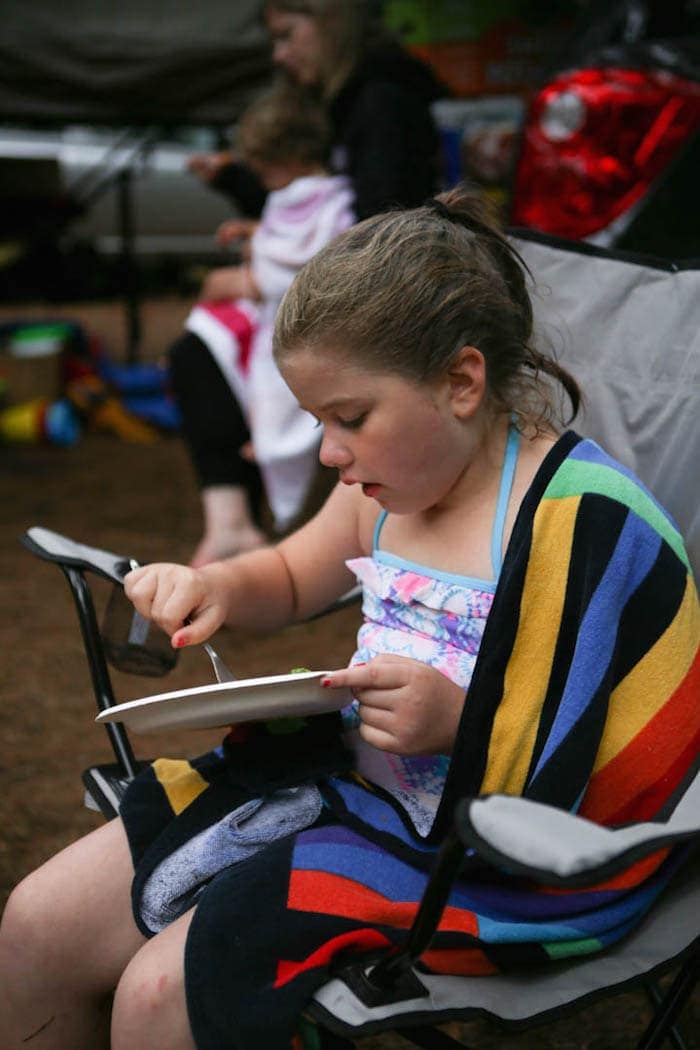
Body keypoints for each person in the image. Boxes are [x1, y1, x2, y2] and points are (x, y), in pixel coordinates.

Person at [1, 188, 697, 1050]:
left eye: (350, 418)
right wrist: (218, 587)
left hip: (490, 858)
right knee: (34, 924)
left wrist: (456, 720)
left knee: (157, 999)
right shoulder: (382, 486)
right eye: (315, 421)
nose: (329, 451)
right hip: (342, 783)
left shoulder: (579, 519)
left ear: (461, 382)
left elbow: (591, 747)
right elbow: (292, 575)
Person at [171, 85, 355, 566]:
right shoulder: (315, 196)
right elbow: (288, 243)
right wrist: (257, 237)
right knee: (206, 336)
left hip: (302, 325)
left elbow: (312, 263)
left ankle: (266, 451)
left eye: (261, 168)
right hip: (276, 316)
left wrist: (251, 277)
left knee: (265, 375)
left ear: (283, 156)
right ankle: (243, 500)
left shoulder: (324, 201)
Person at [189, 0, 446, 222]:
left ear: (330, 23)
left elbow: (380, 219)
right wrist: (233, 179)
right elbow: (303, 198)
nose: (279, 55)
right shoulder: (334, 101)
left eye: (286, 34)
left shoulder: (382, 100)